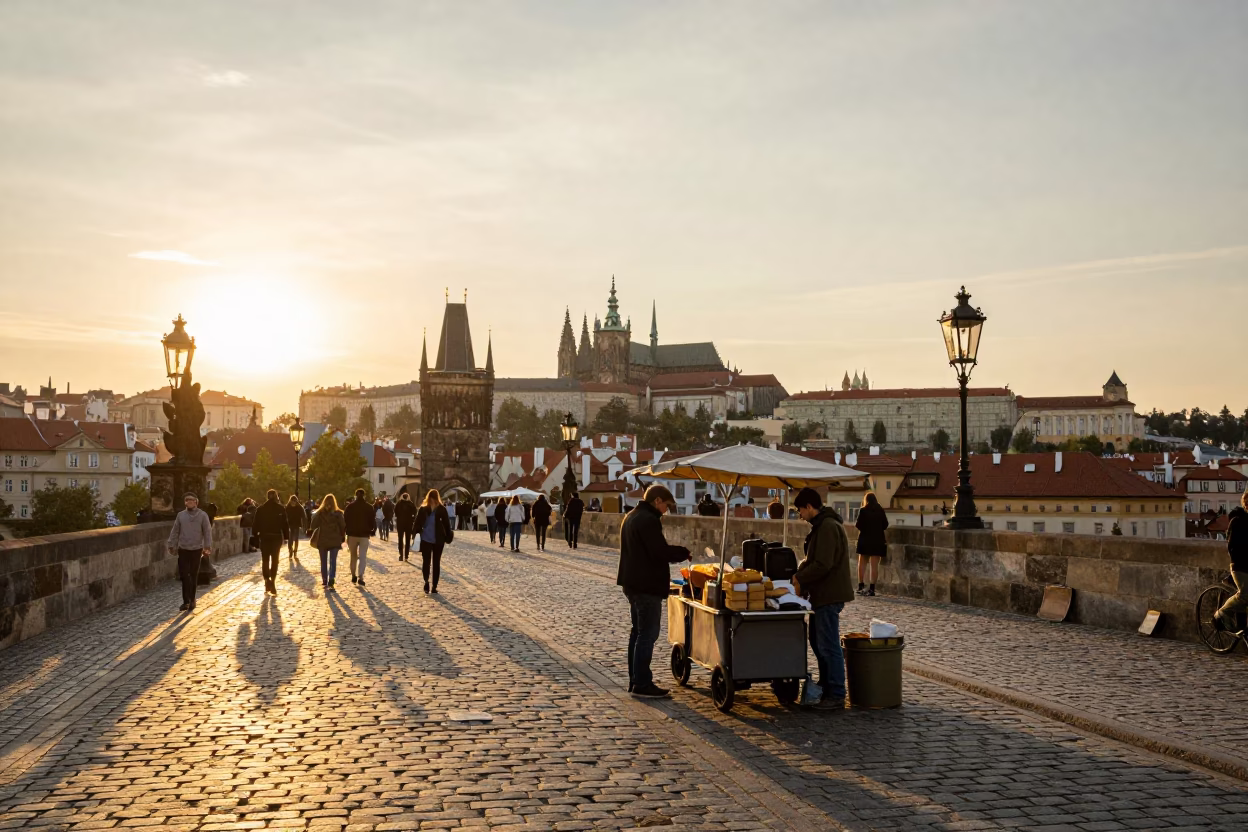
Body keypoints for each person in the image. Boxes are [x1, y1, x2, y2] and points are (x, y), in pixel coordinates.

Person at [617, 485, 691, 699]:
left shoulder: (631, 516)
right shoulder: (648, 520)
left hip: (632, 583)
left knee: (638, 632)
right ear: (657, 501)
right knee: (647, 634)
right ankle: (642, 682)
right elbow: (658, 551)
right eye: (666, 505)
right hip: (645, 584)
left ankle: (635, 678)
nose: (666, 510)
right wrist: (683, 552)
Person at [792, 487, 854, 710]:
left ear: (809, 507)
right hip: (821, 595)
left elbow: (823, 564)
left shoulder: (827, 527)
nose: (799, 515)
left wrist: (800, 577)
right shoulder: (823, 525)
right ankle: (827, 685)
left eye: (800, 510)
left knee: (828, 645)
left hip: (829, 594)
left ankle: (836, 693)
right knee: (818, 642)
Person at [167, 492, 212, 613]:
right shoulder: (181, 515)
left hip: (196, 549)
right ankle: (185, 601)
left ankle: (192, 599)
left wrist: (207, 546)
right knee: (183, 575)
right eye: (187, 500)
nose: (189, 502)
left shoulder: (202, 515)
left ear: (196, 502)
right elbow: (175, 530)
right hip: (183, 548)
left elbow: (207, 531)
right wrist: (171, 544)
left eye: (191, 500)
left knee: (193, 574)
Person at [1213, 491, 1248, 632]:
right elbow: (1232, 547)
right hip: (1240, 567)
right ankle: (1222, 613)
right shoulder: (1238, 521)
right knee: (1246, 594)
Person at [252, 489, 290, 596]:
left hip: (264, 537)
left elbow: (255, 524)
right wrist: (286, 536)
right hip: (276, 537)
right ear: (276, 496)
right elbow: (285, 524)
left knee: (265, 560)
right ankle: (272, 580)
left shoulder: (261, 509)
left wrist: (255, 534)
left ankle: (266, 580)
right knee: (274, 560)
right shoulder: (280, 509)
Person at [415, 489, 453, 594]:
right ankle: (429, 583)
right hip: (431, 539)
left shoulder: (439, 509)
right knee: (430, 562)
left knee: (432, 562)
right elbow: (417, 523)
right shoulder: (425, 509)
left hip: (435, 539)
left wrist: (448, 536)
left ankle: (432, 584)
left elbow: (447, 525)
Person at [854, 492, 890, 597]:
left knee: (862, 563)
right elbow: (885, 524)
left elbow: (858, 525)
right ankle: (872, 588)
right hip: (878, 540)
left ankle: (861, 585)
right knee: (874, 566)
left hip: (865, 539)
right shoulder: (880, 510)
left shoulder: (863, 510)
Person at [308, 494, 346, 590]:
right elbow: (343, 526)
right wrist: (343, 538)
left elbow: (313, 526)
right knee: (333, 561)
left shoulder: (320, 513)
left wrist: (318, 513)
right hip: (335, 540)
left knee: (323, 561)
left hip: (323, 540)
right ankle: (331, 579)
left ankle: (325, 580)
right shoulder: (338, 514)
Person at [344, 488, 376, 587]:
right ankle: (360, 576)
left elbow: (345, 519)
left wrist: (346, 530)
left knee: (353, 557)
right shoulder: (369, 507)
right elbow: (372, 520)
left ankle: (353, 575)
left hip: (352, 535)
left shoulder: (350, 507)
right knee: (362, 557)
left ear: (355, 495)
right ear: (364, 495)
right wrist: (372, 530)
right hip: (364, 535)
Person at [394, 492, 417, 561]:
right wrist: (412, 519)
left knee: (400, 539)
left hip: (400, 524)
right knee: (407, 540)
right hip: (408, 524)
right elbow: (415, 512)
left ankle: (401, 555)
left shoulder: (399, 503)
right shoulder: (411, 504)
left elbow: (395, 512)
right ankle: (406, 555)